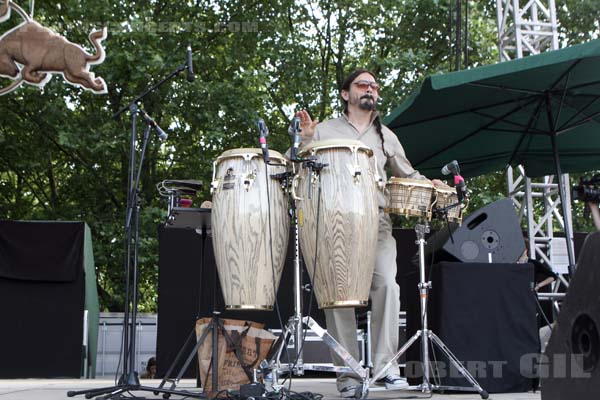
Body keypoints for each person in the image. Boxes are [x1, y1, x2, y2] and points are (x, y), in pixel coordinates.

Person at [295, 68, 446, 397]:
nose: (370, 90)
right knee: (337, 299)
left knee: (388, 287)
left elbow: (407, 173)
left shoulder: (386, 136)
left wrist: (430, 183)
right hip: (333, 223)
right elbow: (299, 169)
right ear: (345, 94)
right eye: (362, 85)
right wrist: (305, 140)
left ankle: (386, 366)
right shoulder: (324, 130)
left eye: (374, 86)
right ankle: (348, 375)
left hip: (377, 223)